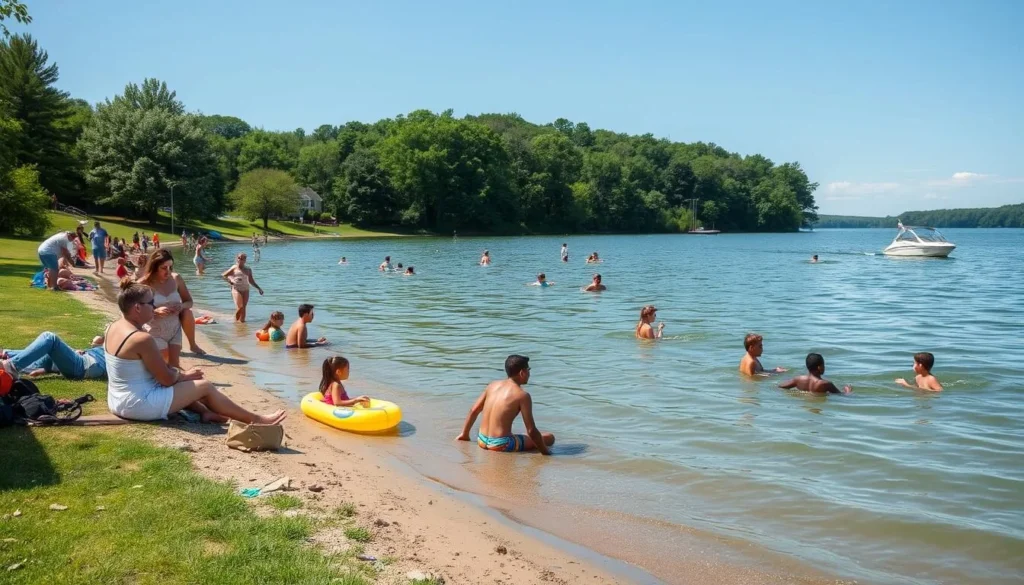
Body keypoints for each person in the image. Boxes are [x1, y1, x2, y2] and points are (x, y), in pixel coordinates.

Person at [103, 278, 286, 424]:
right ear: (137, 307)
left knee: (184, 379)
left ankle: (207, 413)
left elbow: (155, 374)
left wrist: (181, 376)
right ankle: (256, 420)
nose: (155, 306)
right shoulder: (141, 338)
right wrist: (184, 376)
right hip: (138, 405)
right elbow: (166, 379)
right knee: (204, 386)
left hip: (118, 400)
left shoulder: (114, 326)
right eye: (151, 303)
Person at [455, 355, 555, 454]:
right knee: (549, 438)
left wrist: (465, 434)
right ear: (522, 372)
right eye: (528, 369)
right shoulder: (522, 395)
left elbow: (474, 410)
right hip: (502, 444)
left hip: (481, 439)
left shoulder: (492, 385)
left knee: (525, 436)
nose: (529, 373)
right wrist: (546, 452)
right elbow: (531, 430)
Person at [137, 249, 197, 368]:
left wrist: (181, 306)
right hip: (154, 330)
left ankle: (192, 345)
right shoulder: (143, 283)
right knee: (163, 368)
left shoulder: (176, 279)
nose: (168, 272)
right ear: (154, 267)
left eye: (170, 267)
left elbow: (189, 302)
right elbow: (134, 310)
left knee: (174, 366)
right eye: (164, 268)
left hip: (174, 330)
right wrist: (154, 311)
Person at [0, 331, 106, 380]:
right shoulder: (111, 344)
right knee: (41, 351)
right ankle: (5, 355)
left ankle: (11, 366)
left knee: (50, 338)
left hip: (84, 365)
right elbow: (97, 341)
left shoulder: (118, 353)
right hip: (82, 358)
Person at [779, 353, 852, 394]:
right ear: (819, 367)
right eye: (824, 365)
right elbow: (841, 396)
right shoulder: (826, 384)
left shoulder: (798, 379)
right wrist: (848, 390)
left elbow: (781, 386)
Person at [221, 253, 263, 322]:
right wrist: (230, 281)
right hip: (236, 289)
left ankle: (242, 325)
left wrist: (259, 288)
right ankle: (235, 322)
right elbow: (223, 275)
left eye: (243, 258)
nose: (241, 259)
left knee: (243, 308)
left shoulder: (248, 269)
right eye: (239, 258)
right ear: (237, 259)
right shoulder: (234, 267)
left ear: (245, 260)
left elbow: (251, 281)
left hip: (246, 289)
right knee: (240, 307)